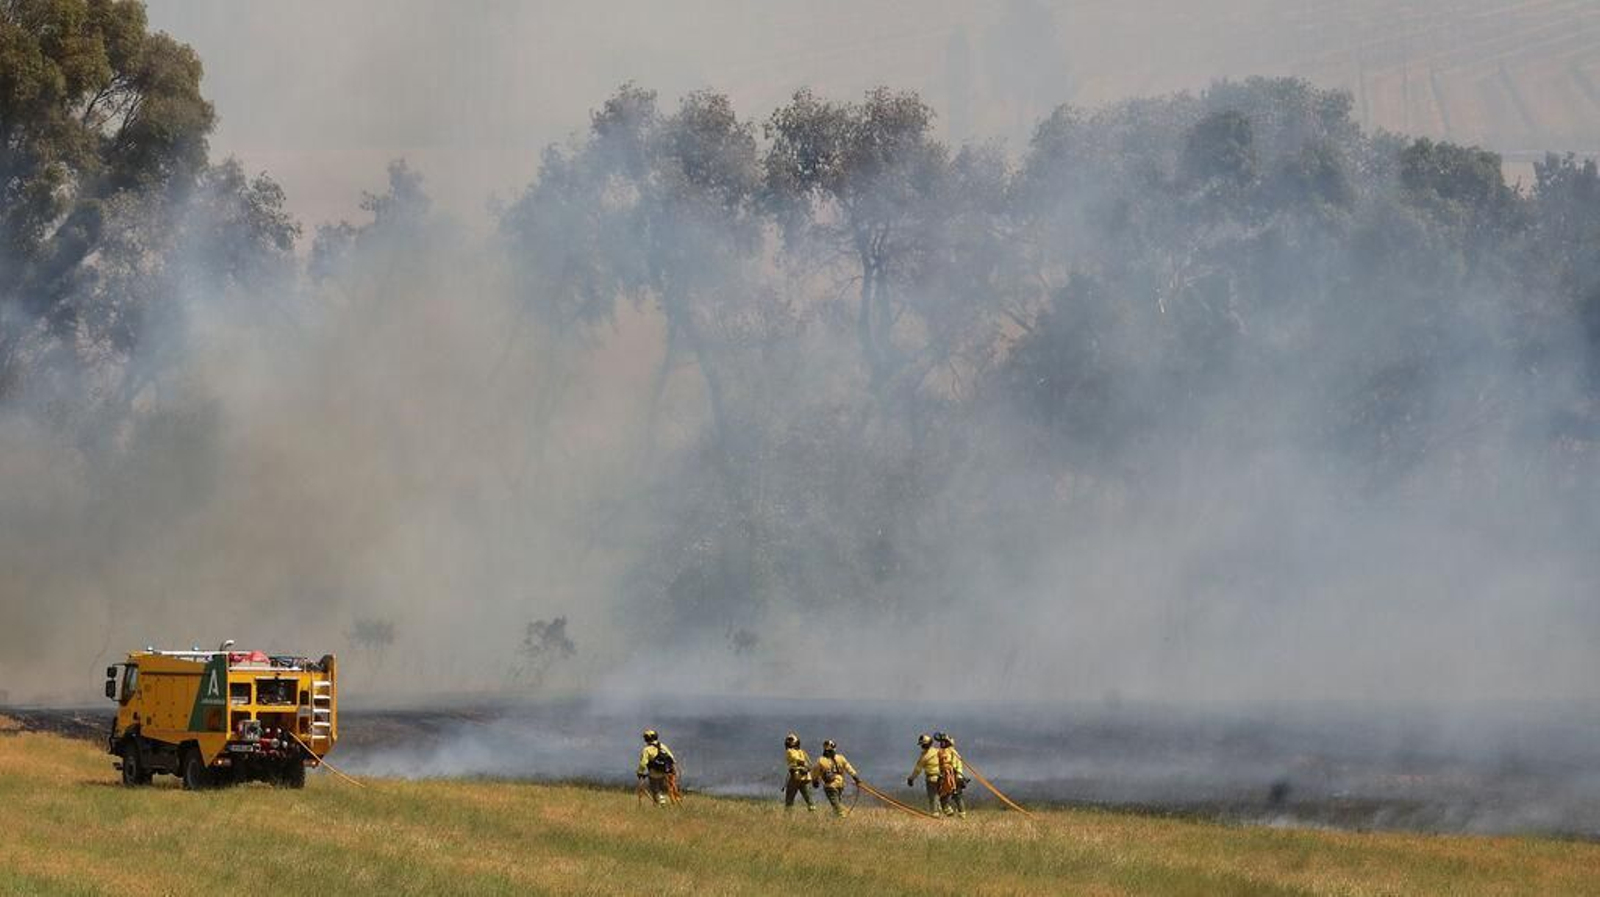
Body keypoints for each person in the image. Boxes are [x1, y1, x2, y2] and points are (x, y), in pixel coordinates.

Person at [812, 739, 859, 816]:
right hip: (836, 785)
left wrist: (815, 781)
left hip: (834, 785)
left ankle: (842, 815)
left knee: (836, 803)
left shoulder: (822, 760)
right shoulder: (838, 758)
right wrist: (855, 776)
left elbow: (815, 772)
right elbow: (848, 768)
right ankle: (838, 815)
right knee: (836, 802)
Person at [636, 728, 677, 807]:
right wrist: (673, 770)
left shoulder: (646, 750)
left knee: (656, 790)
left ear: (646, 739)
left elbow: (643, 763)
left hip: (654, 773)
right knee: (664, 789)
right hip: (666, 772)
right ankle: (666, 802)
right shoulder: (662, 746)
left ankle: (660, 804)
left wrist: (640, 772)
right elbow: (672, 758)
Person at [906, 732, 940, 814]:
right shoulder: (937, 751)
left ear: (925, 745)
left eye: (922, 745)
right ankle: (940, 811)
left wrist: (911, 779)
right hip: (942, 777)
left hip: (931, 778)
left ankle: (935, 813)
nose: (921, 746)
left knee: (933, 796)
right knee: (939, 795)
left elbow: (918, 769)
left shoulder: (924, 756)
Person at [935, 732, 967, 818]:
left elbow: (959, 764)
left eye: (944, 741)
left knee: (957, 795)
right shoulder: (939, 752)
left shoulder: (953, 752)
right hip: (943, 776)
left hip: (953, 775)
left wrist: (959, 776)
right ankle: (949, 813)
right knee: (943, 795)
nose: (942, 743)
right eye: (941, 742)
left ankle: (962, 814)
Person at [783, 732, 817, 811]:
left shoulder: (794, 751)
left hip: (797, 777)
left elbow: (802, 761)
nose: (789, 741)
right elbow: (803, 761)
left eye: (791, 740)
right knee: (807, 796)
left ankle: (788, 814)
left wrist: (805, 766)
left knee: (791, 797)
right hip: (802, 777)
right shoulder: (797, 751)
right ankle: (812, 811)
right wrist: (805, 766)